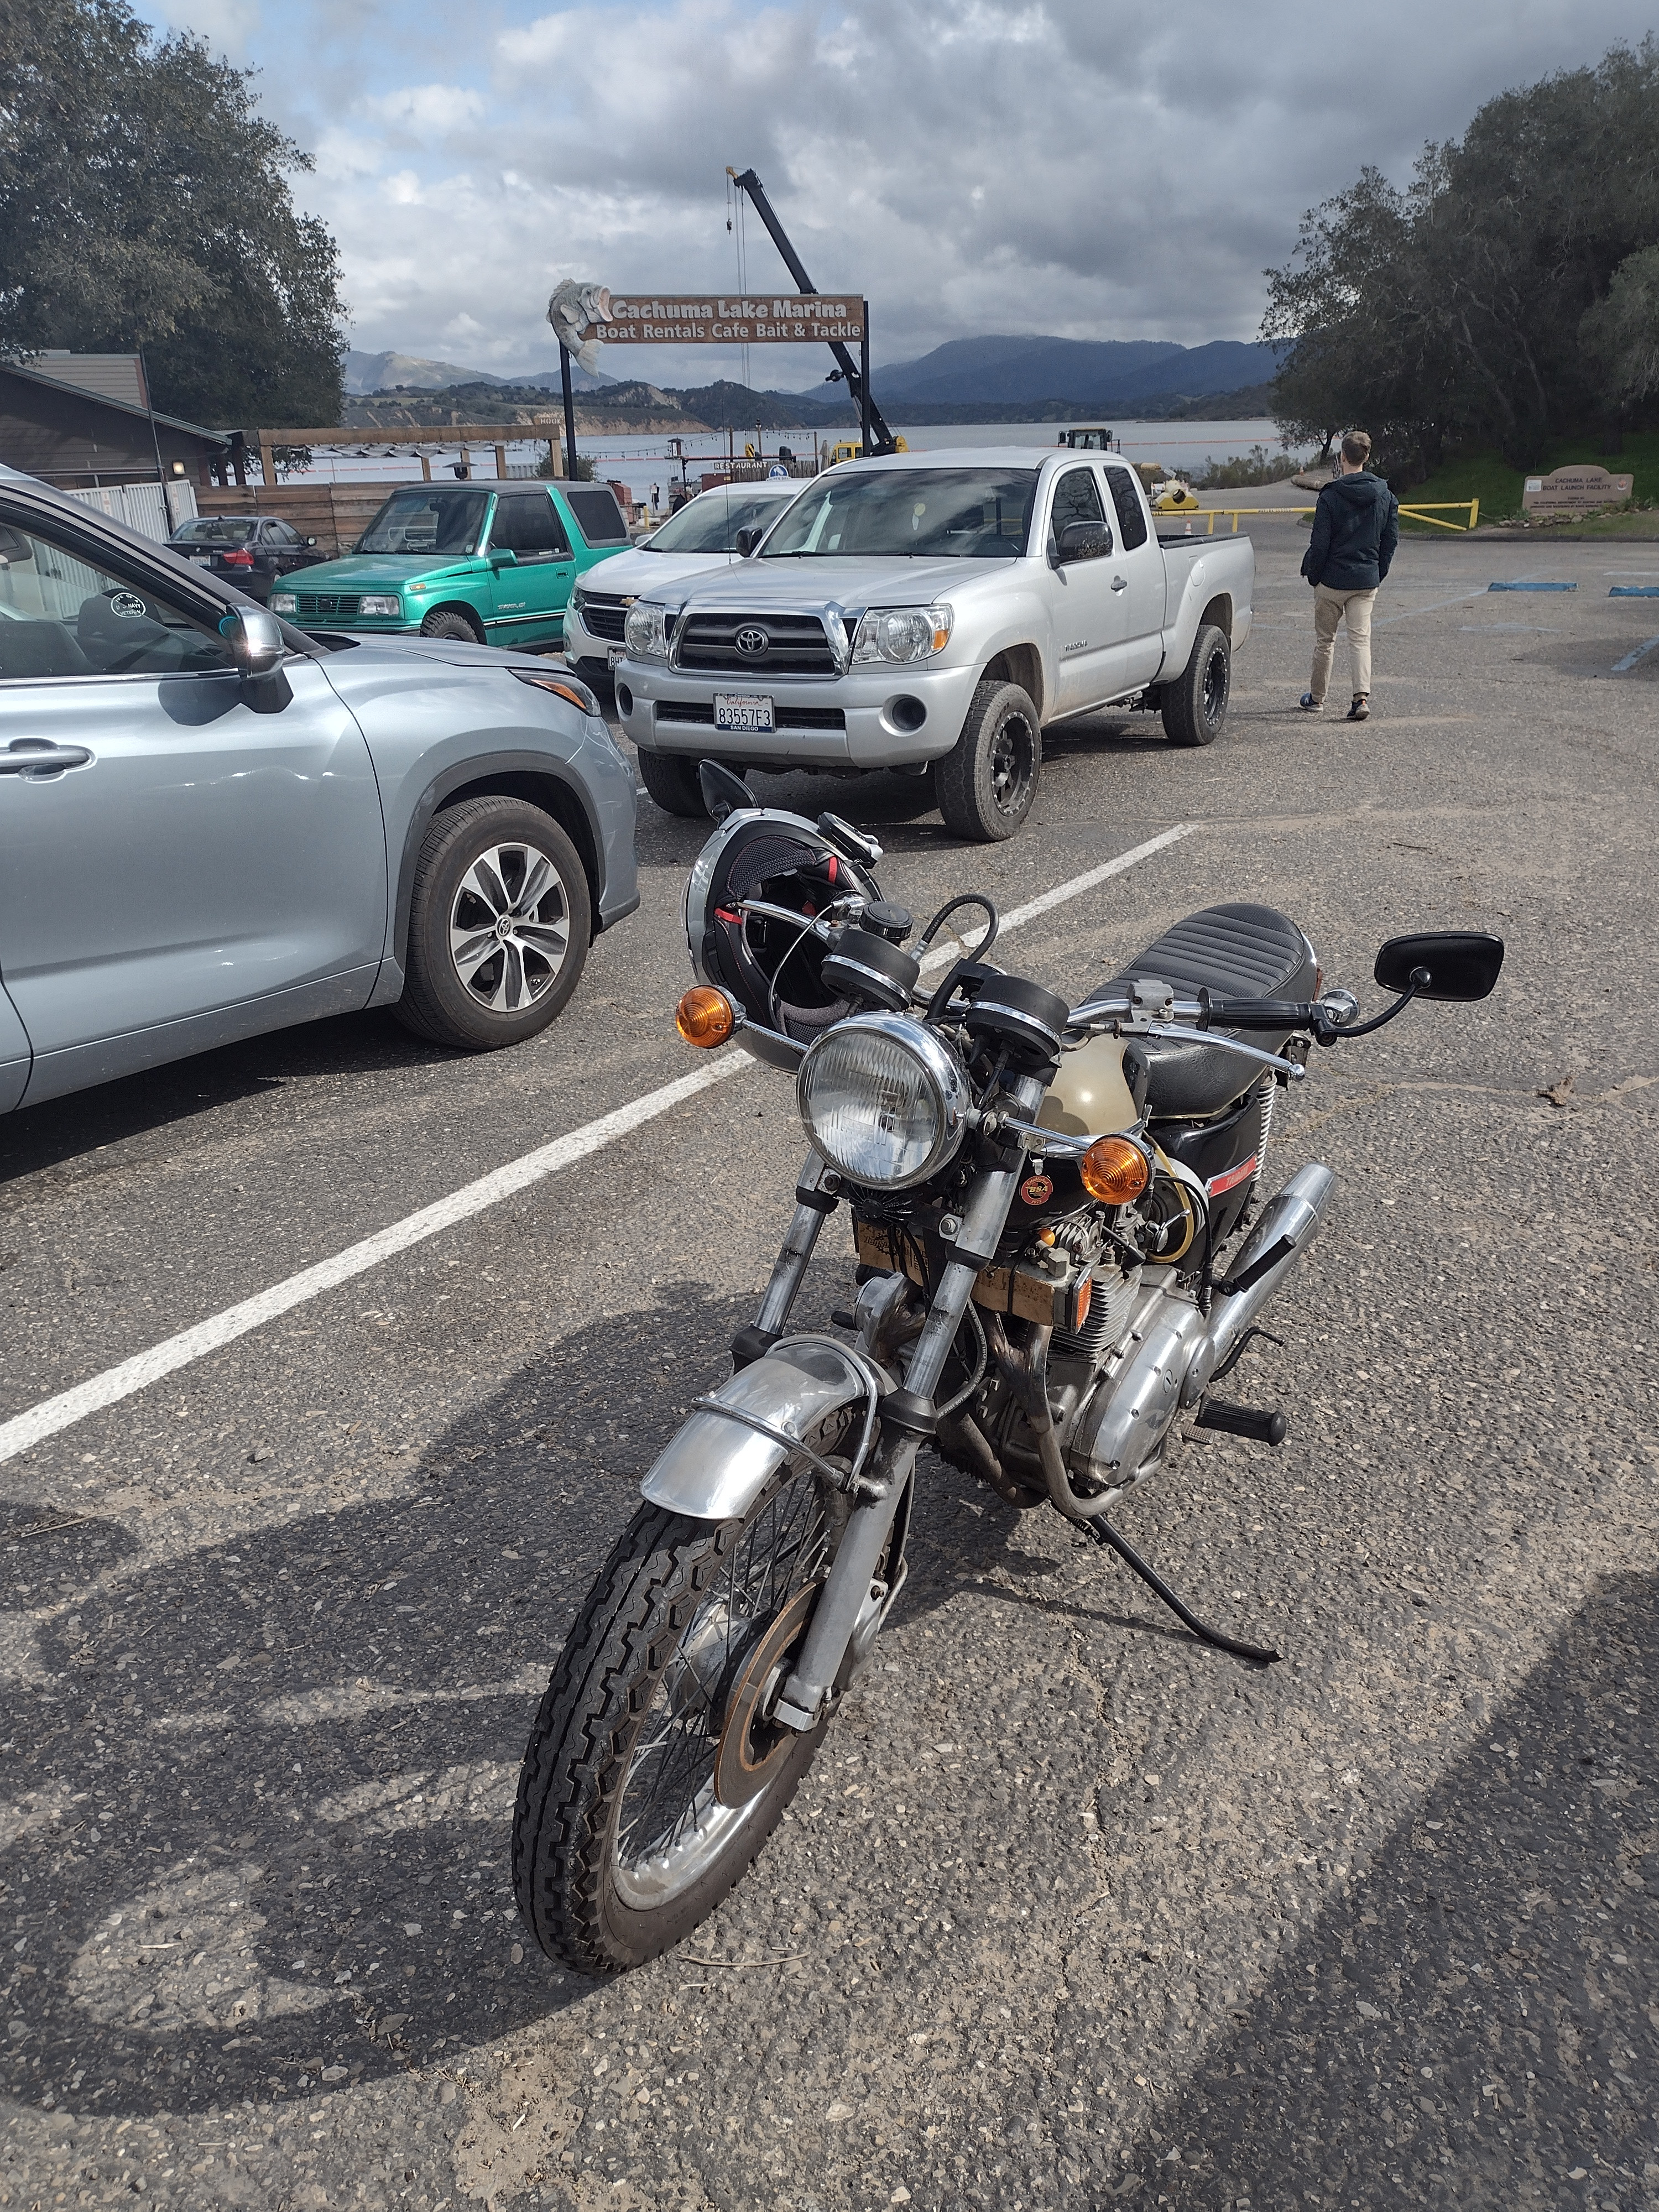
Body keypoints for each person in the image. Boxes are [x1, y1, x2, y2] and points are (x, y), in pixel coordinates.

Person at [1298, 430, 1399, 722]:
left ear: (1342, 457)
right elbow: (1390, 540)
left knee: (1325, 641)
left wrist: (1314, 576)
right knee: (1360, 640)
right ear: (1366, 457)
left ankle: (1317, 698)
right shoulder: (1386, 495)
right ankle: (1360, 698)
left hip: (1331, 581)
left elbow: (1320, 544)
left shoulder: (1330, 496)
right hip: (1365, 579)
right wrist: (1378, 572)